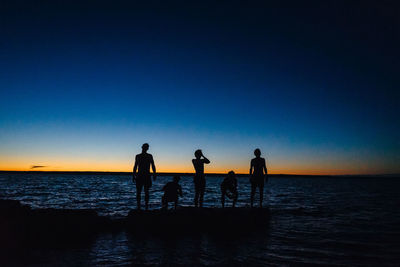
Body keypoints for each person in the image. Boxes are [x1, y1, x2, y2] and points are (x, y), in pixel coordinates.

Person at [132, 143, 156, 210]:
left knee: (146, 191)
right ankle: (139, 207)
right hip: (140, 176)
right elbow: (135, 166)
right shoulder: (138, 156)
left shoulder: (149, 156)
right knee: (139, 192)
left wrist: (154, 174)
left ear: (147, 148)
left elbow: (153, 165)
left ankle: (146, 207)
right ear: (142, 147)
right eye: (145, 147)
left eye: (146, 147)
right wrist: (133, 175)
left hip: (146, 176)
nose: (145, 148)